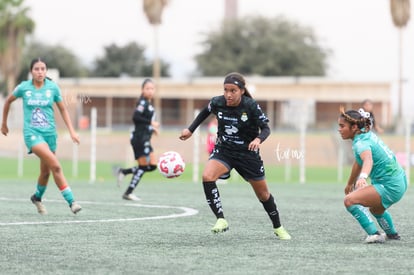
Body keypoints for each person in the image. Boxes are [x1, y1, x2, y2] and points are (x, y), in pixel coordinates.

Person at [179, 72, 291, 239]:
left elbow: (266, 128)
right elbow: (204, 112)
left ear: (242, 91)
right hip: (224, 151)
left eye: (233, 91)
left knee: (263, 195)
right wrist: (190, 130)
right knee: (207, 176)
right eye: (226, 90)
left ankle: (278, 227)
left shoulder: (251, 105)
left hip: (248, 155)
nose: (228, 95)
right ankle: (221, 219)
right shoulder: (217, 102)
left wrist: (258, 140)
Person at [1, 57, 82, 215]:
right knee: (56, 166)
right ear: (31, 71)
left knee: (46, 172)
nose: (40, 72)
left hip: (50, 135)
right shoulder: (24, 88)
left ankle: (37, 197)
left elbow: (63, 110)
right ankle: (72, 202)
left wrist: (72, 131)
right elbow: (7, 102)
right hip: (32, 135)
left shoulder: (53, 88)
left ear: (46, 71)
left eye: (43, 69)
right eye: (36, 69)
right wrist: (4, 123)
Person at [338, 106, 407, 243]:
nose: (339, 129)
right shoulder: (366, 136)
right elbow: (359, 162)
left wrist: (363, 177)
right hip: (400, 180)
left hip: (389, 185)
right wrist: (350, 182)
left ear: (354, 128)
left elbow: (367, 159)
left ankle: (375, 235)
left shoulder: (361, 143)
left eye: (342, 126)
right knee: (376, 209)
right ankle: (392, 234)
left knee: (349, 201)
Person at [116, 78, 160, 201]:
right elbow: (136, 117)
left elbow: (143, 124)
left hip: (145, 138)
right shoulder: (142, 103)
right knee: (143, 166)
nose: (150, 91)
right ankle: (128, 192)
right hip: (139, 139)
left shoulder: (148, 104)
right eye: (148, 88)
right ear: (142, 90)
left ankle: (123, 172)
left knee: (152, 166)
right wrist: (151, 123)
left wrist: (152, 128)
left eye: (152, 88)